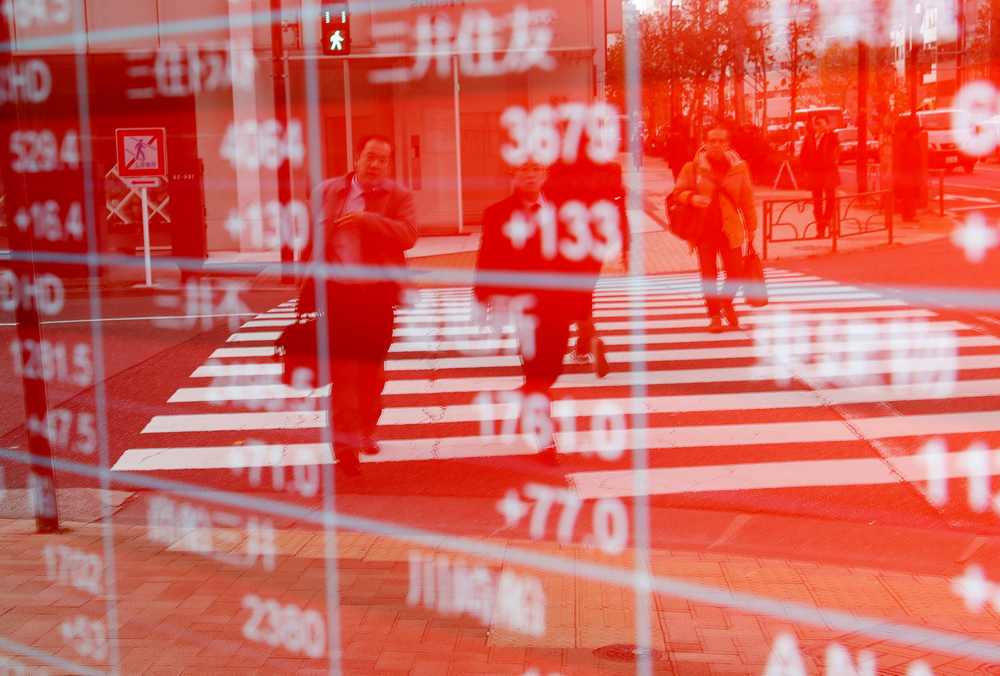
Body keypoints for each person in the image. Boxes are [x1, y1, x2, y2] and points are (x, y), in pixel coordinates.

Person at [300, 134, 417, 476]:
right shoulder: (327, 192)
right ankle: (345, 447)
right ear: (356, 158)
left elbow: (409, 234)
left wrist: (368, 220)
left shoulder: (398, 196)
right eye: (370, 156)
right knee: (344, 373)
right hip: (337, 295)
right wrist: (304, 287)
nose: (376, 164)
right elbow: (310, 241)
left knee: (372, 374)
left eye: (383, 159)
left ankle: (366, 427)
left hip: (377, 297)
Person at [474, 161, 575, 463]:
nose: (529, 175)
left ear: (545, 174)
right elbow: (488, 255)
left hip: (557, 301)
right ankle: (545, 439)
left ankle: (528, 392)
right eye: (523, 169)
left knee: (552, 367)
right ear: (513, 175)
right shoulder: (497, 214)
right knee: (536, 367)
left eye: (536, 169)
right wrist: (484, 298)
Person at [544, 154, 629, 378]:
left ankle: (590, 339)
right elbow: (619, 209)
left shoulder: (557, 168)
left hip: (565, 242)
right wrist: (625, 246)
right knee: (583, 294)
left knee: (569, 296)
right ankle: (583, 346)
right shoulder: (610, 169)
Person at [669, 125, 757, 333]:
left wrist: (752, 227)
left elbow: (747, 198)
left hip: (730, 228)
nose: (716, 145)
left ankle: (726, 304)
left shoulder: (739, 168)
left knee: (735, 272)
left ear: (727, 144)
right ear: (705, 143)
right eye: (712, 141)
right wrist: (691, 198)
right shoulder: (692, 167)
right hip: (703, 229)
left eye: (721, 141)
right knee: (709, 275)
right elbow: (677, 193)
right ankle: (714, 316)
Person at [799, 114, 840, 238]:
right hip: (814, 173)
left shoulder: (831, 136)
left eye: (821, 123)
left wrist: (827, 130)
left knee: (831, 199)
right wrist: (805, 171)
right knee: (817, 202)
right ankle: (820, 229)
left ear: (826, 124)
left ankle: (826, 221)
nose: (818, 126)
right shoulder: (809, 138)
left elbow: (836, 144)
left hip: (828, 172)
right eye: (817, 124)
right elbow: (803, 155)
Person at [893, 115, 921, 222]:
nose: (919, 135)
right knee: (908, 196)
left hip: (910, 173)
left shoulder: (912, 142)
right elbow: (909, 159)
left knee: (910, 196)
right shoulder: (909, 143)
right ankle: (908, 216)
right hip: (908, 174)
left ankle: (909, 215)